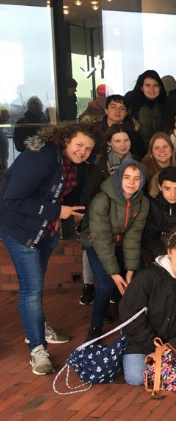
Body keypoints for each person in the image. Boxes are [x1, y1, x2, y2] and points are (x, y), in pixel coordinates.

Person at [0, 122, 97, 374]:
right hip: (20, 230)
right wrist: (56, 211)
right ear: (66, 140)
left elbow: (73, 196)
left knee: (37, 284)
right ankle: (37, 348)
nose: (83, 151)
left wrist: (79, 212)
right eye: (79, 145)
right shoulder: (38, 158)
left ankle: (37, 326)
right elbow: (12, 199)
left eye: (88, 148)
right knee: (31, 289)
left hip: (47, 230)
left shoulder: (80, 165)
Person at [119, 227, 176, 385]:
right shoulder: (148, 277)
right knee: (136, 378)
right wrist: (155, 347)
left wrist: (172, 346)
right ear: (169, 251)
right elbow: (130, 314)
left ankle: (165, 368)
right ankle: (145, 362)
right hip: (144, 340)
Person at [79, 159, 149, 341]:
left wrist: (130, 270)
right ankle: (95, 327)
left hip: (120, 242)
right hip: (96, 242)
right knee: (107, 284)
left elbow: (133, 235)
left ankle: (131, 320)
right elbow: (101, 238)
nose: (131, 182)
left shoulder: (142, 202)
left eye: (137, 178)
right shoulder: (102, 200)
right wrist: (114, 273)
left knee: (139, 277)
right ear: (118, 178)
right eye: (127, 177)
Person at [85, 125, 136, 202]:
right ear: (109, 142)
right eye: (118, 141)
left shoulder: (137, 161)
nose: (123, 145)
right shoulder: (100, 163)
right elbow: (91, 193)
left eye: (126, 140)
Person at [124, 70, 166, 145]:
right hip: (136, 148)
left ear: (160, 88)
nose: (152, 89)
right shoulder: (131, 102)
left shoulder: (165, 103)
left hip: (160, 148)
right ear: (142, 88)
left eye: (155, 85)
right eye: (148, 85)